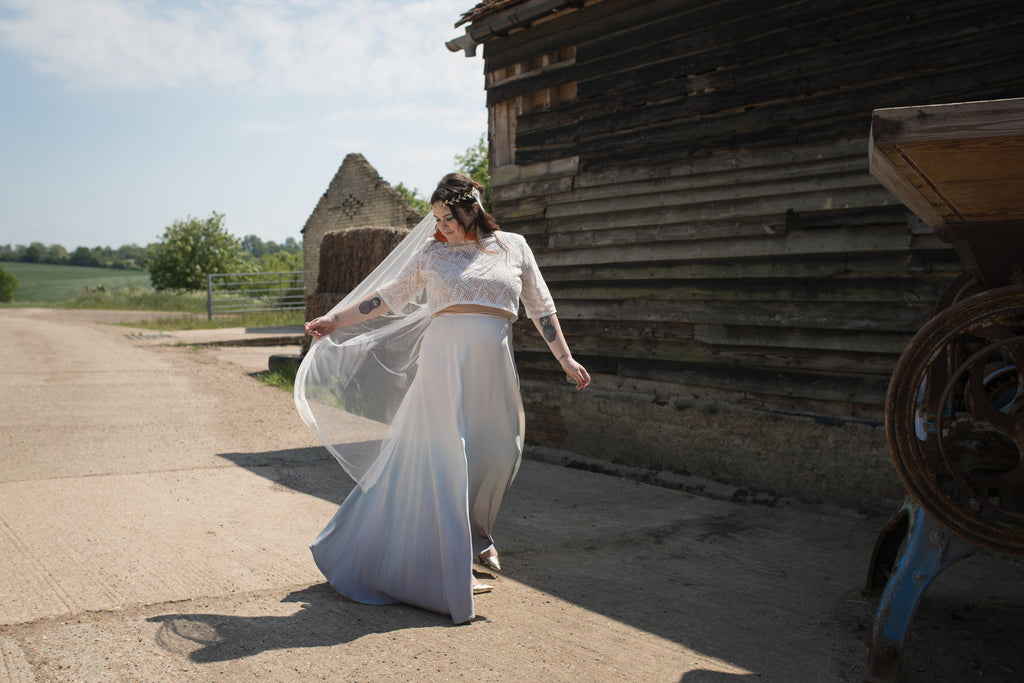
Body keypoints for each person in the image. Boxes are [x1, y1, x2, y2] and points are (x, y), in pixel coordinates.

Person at [296, 172, 590, 624]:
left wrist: (565, 358)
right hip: (443, 364)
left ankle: (475, 535)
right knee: (447, 459)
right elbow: (387, 297)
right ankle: (450, 566)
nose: (442, 227)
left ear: (471, 208)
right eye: (436, 218)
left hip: (493, 366)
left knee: (498, 451)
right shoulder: (432, 252)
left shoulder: (514, 246)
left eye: (448, 218)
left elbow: (540, 306)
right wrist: (336, 319)